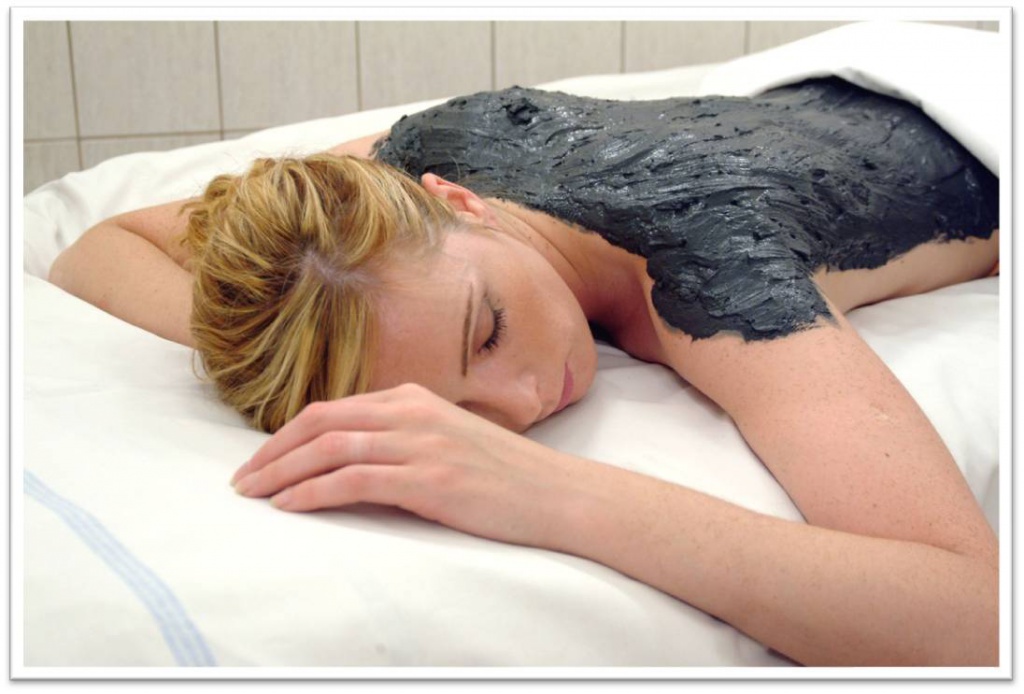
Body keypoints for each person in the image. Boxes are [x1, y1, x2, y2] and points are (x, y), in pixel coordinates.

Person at [47, 74, 999, 667]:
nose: (525, 401)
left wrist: (548, 493)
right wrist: (271, 360)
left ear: (462, 203)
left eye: (488, 333)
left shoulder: (713, 271)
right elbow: (102, 245)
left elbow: (976, 621)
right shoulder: (387, 193)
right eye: (455, 408)